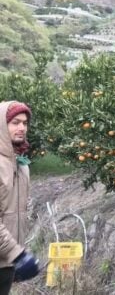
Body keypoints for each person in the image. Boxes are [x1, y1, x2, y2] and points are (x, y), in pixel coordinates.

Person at [0, 101, 40, 294]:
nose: (21, 128)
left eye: (25, 123)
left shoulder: (21, 164)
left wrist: (15, 255)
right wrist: (17, 254)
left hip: (5, 263)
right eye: (15, 122)